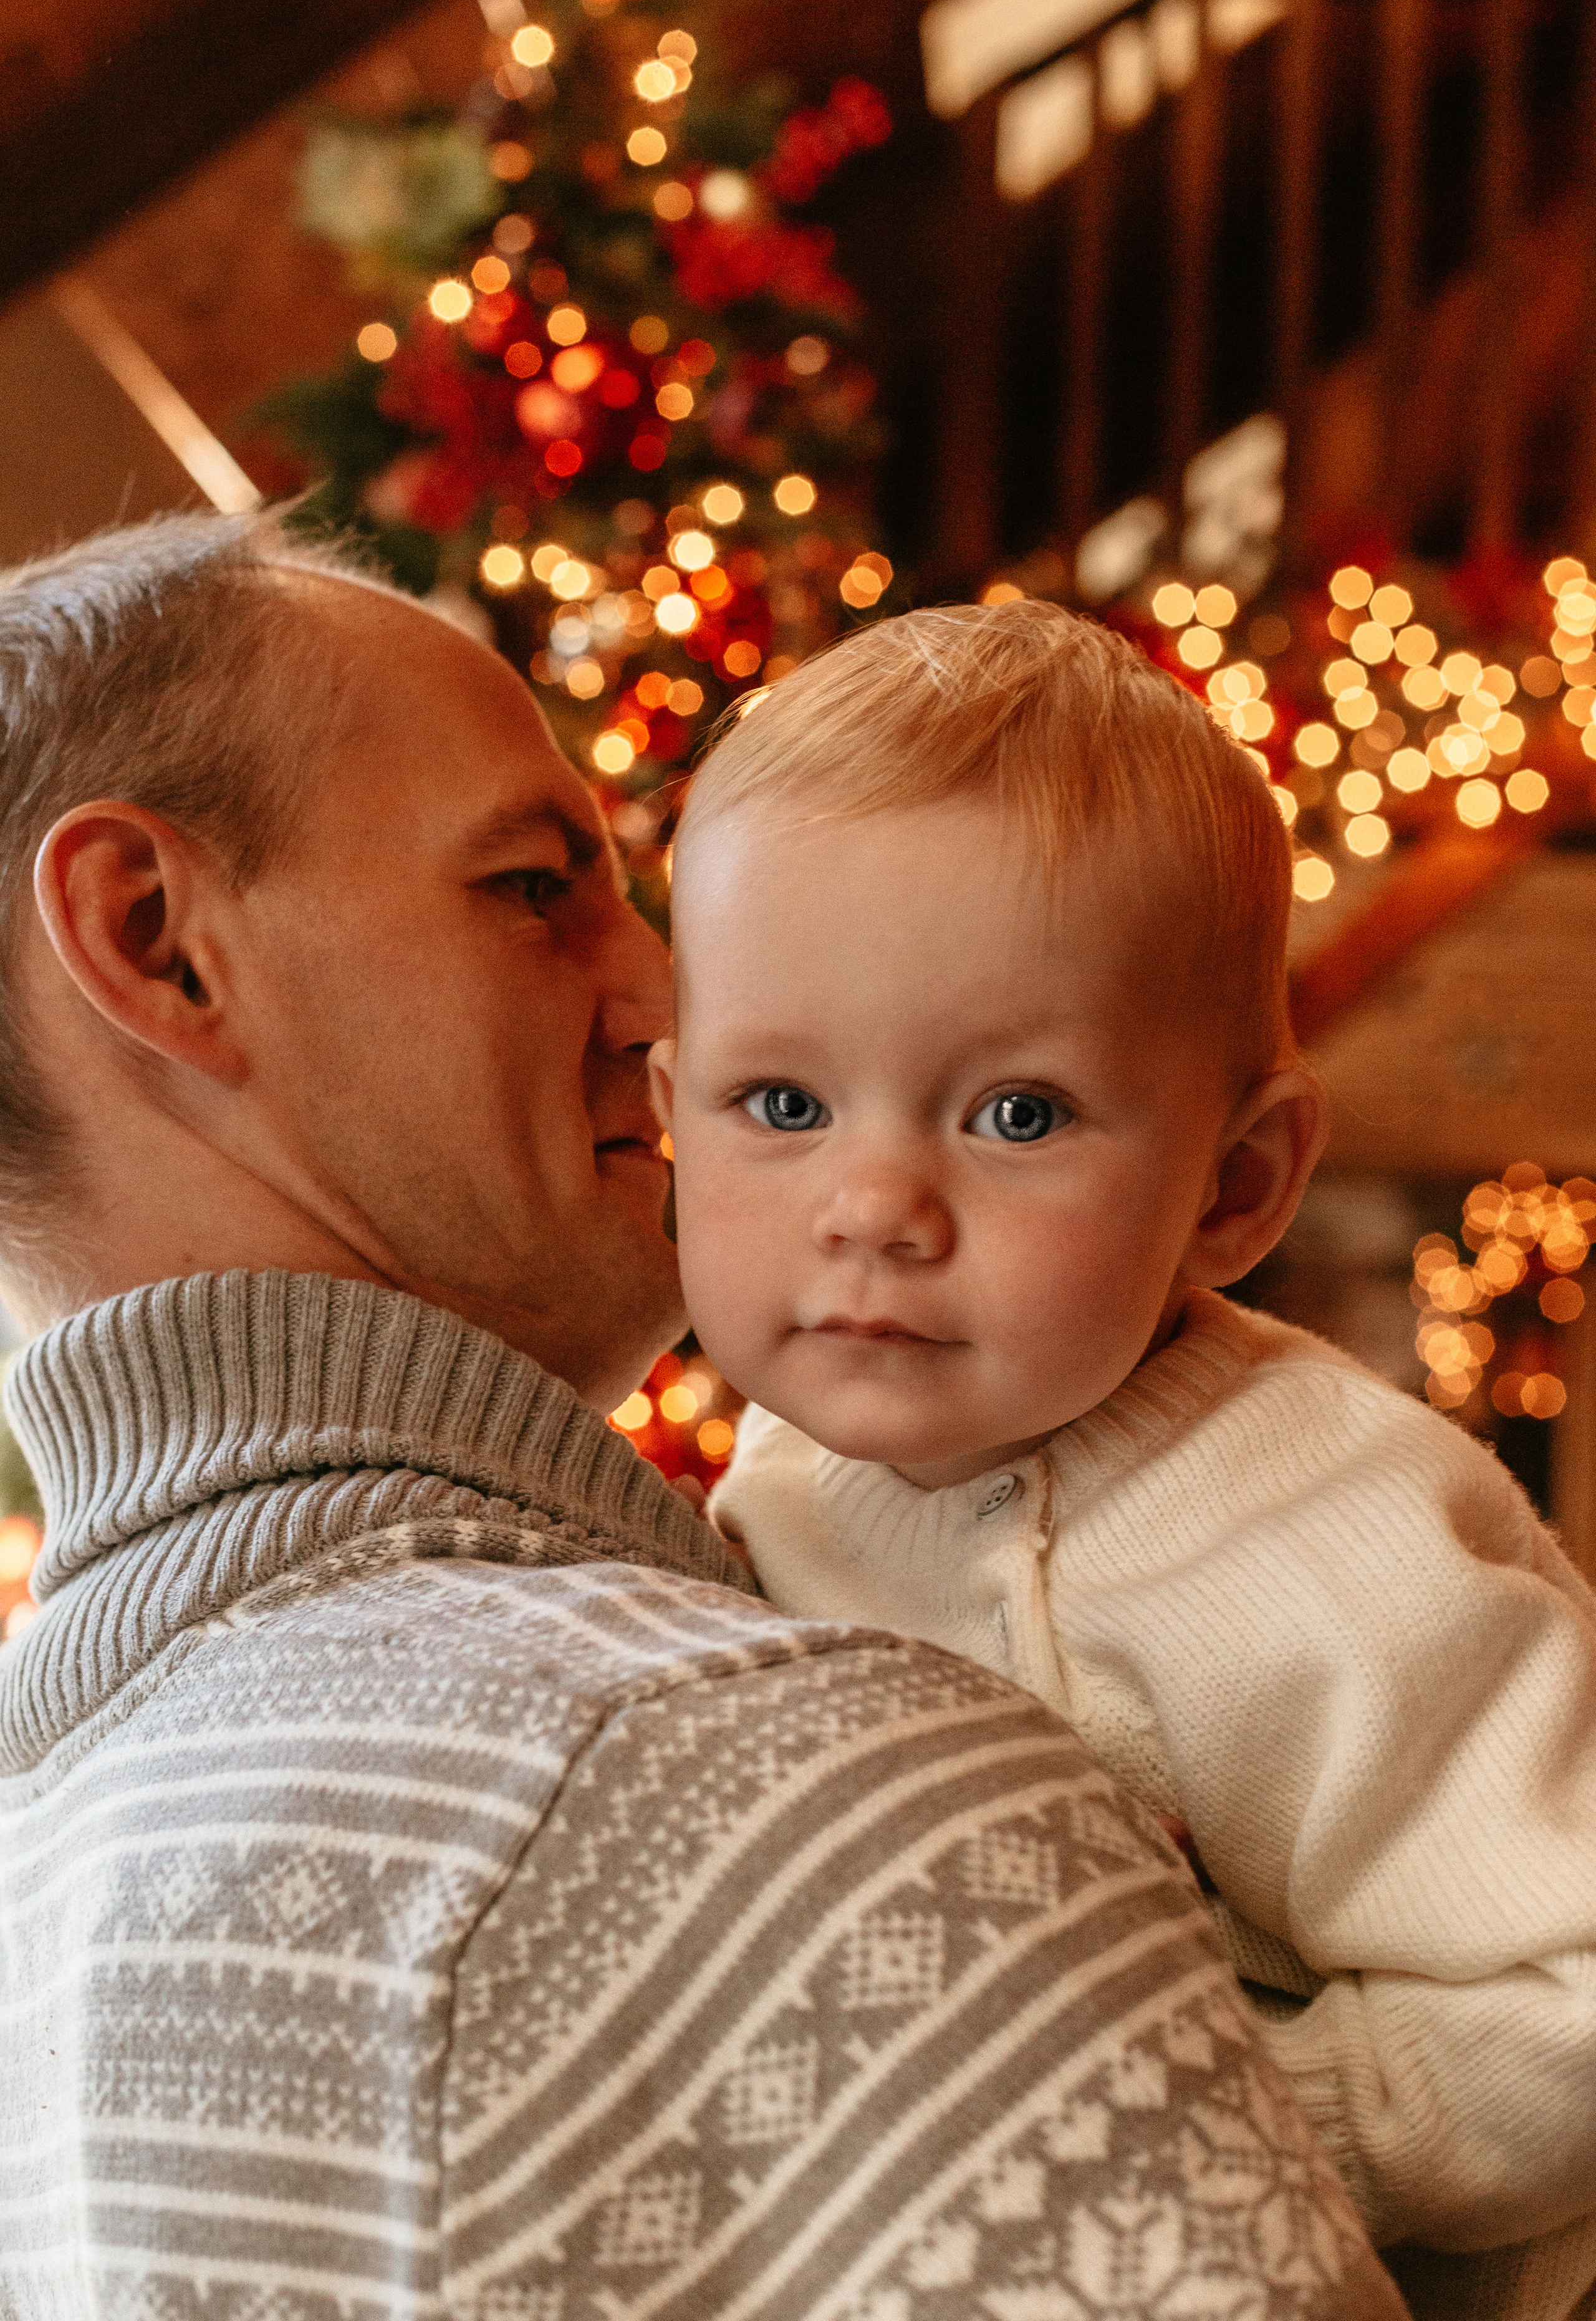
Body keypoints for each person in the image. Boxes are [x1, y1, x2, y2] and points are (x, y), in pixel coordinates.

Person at [0, 515, 1401, 2321]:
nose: (672, 1005)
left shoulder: (39, 1877)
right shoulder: (793, 1792)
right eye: (535, 887)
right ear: (160, 942)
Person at [652, 598, 1596, 2321]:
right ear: (669, 1115)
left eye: (1015, 1115)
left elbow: (1576, 1994)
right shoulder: (767, 1493)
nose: (874, 1208)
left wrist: (1209, 2118)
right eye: (782, 1106)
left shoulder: (1345, 1541)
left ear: (1238, 1186)